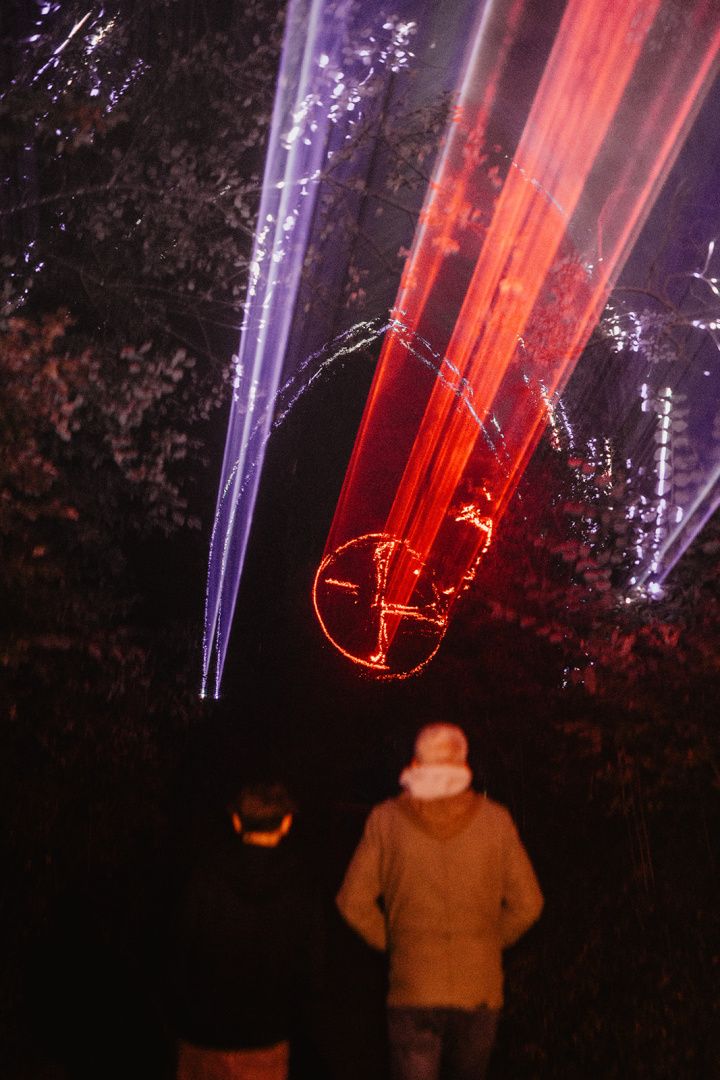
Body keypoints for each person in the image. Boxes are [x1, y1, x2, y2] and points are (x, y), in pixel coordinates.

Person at [336, 723, 543, 1080]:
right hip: (478, 989)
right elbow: (529, 904)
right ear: (463, 763)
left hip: (413, 987)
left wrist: (396, 943)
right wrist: (488, 944)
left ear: (416, 763)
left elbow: (352, 902)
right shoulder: (496, 821)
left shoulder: (386, 820)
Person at [172, 780, 323, 1080]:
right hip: (266, 1040)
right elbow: (312, 968)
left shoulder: (204, 876)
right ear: (286, 823)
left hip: (203, 1037)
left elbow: (179, 952)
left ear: (236, 821)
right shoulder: (301, 887)